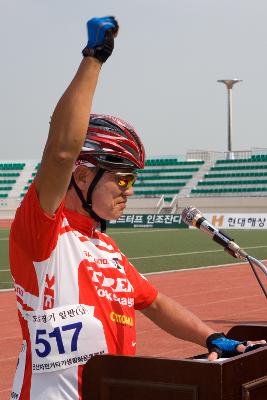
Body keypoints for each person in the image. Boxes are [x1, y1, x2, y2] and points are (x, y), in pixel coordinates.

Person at [9, 16, 265, 400]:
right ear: (82, 178)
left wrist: (211, 336)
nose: (129, 190)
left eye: (133, 180)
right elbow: (61, 152)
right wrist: (93, 58)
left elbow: (156, 303)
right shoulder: (44, 234)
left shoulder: (106, 249)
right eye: (122, 178)